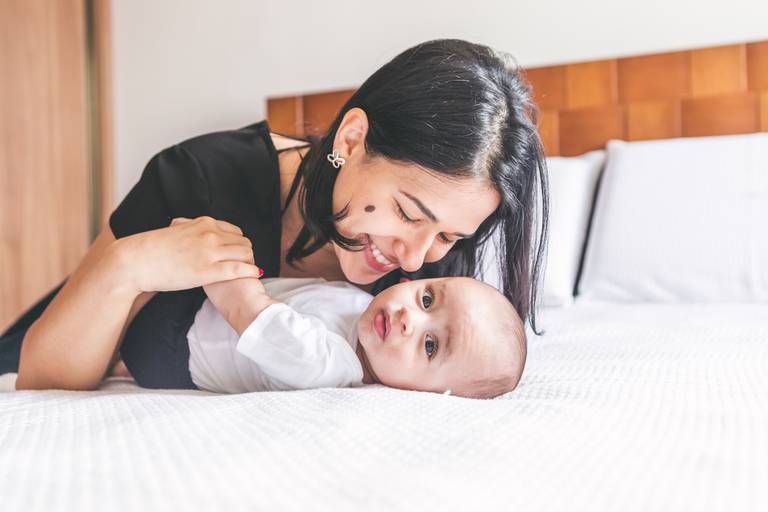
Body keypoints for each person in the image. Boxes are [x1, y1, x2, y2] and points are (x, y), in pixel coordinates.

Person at [3, 38, 549, 391]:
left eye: (448, 235)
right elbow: (42, 380)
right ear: (353, 139)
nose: (413, 258)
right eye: (407, 213)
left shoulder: (436, 288)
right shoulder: (205, 178)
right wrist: (129, 266)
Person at [171, 273, 526, 399]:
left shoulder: (327, 364)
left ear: (420, 393)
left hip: (178, 345)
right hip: (201, 299)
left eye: (430, 346)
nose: (408, 318)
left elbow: (244, 309)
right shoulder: (365, 305)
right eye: (427, 299)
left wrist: (213, 257)